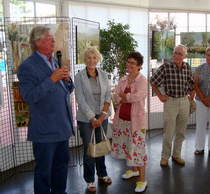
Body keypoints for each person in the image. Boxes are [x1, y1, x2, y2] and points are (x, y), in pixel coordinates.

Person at [17, 26, 74, 194]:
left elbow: (67, 90)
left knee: (62, 166)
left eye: (52, 38)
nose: (53, 41)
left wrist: (68, 79)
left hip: (62, 126)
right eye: (49, 38)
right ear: (38, 42)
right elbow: (29, 96)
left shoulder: (55, 61)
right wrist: (52, 79)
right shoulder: (27, 66)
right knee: (44, 171)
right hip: (45, 130)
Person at [150, 44, 195, 167]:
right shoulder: (165, 67)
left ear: (185, 56)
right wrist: (159, 95)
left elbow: (191, 82)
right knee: (169, 132)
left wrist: (193, 92)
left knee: (181, 131)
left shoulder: (186, 67)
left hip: (184, 102)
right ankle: (165, 157)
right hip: (170, 103)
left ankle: (176, 155)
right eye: (175, 52)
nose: (176, 55)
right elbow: (152, 81)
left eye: (180, 54)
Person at [74, 47, 112, 192]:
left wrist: (102, 115)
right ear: (85, 59)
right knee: (89, 149)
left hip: (102, 116)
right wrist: (92, 117)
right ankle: (90, 180)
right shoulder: (79, 77)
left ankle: (102, 173)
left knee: (101, 145)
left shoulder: (103, 74)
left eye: (94, 57)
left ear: (98, 59)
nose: (92, 60)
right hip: (86, 119)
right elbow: (80, 99)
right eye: (89, 57)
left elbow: (108, 94)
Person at [111, 52, 148, 193]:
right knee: (128, 146)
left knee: (138, 150)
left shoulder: (142, 80)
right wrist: (126, 97)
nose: (130, 65)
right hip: (122, 121)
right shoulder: (123, 79)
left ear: (139, 66)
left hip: (136, 122)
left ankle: (143, 180)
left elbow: (139, 96)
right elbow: (116, 97)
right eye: (128, 62)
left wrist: (124, 96)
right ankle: (134, 170)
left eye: (133, 63)